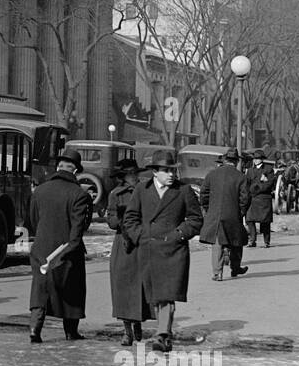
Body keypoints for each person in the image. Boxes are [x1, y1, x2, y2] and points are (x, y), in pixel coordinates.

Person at [123, 149, 204, 353]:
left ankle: (162, 334)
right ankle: (164, 333)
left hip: (173, 251)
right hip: (148, 249)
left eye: (173, 171)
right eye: (166, 171)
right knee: (156, 296)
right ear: (155, 172)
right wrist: (140, 236)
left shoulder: (183, 191)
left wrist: (178, 234)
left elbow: (196, 220)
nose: (171, 175)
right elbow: (130, 218)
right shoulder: (142, 190)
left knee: (167, 294)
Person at [26, 148, 93, 343]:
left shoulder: (40, 190)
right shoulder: (79, 195)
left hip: (41, 247)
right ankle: (71, 332)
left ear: (58, 167)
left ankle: (34, 329)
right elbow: (80, 227)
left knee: (40, 290)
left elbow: (32, 220)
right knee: (71, 290)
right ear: (75, 171)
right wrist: (70, 246)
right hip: (67, 251)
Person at [106, 158, 152, 346]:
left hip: (142, 242)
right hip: (124, 244)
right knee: (123, 287)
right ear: (123, 177)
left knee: (141, 285)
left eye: (135, 174)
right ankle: (127, 331)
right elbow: (110, 221)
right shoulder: (115, 195)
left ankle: (138, 323)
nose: (134, 178)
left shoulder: (146, 191)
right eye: (130, 175)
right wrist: (125, 220)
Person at [199, 146, 250, 282]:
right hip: (233, 215)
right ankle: (235, 268)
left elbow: (203, 194)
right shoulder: (241, 177)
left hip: (215, 215)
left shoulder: (212, 174)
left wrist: (208, 209)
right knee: (237, 241)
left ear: (225, 160)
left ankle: (217, 273)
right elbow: (245, 199)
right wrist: (240, 213)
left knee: (217, 244)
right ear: (236, 162)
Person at [243, 149, 276, 248]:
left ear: (262, 159)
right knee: (249, 219)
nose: (256, 160)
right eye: (254, 159)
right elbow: (246, 183)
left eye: (258, 158)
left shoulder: (268, 169)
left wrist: (257, 188)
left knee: (265, 221)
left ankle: (266, 241)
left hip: (263, 198)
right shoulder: (249, 170)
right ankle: (252, 240)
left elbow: (269, 184)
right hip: (252, 199)